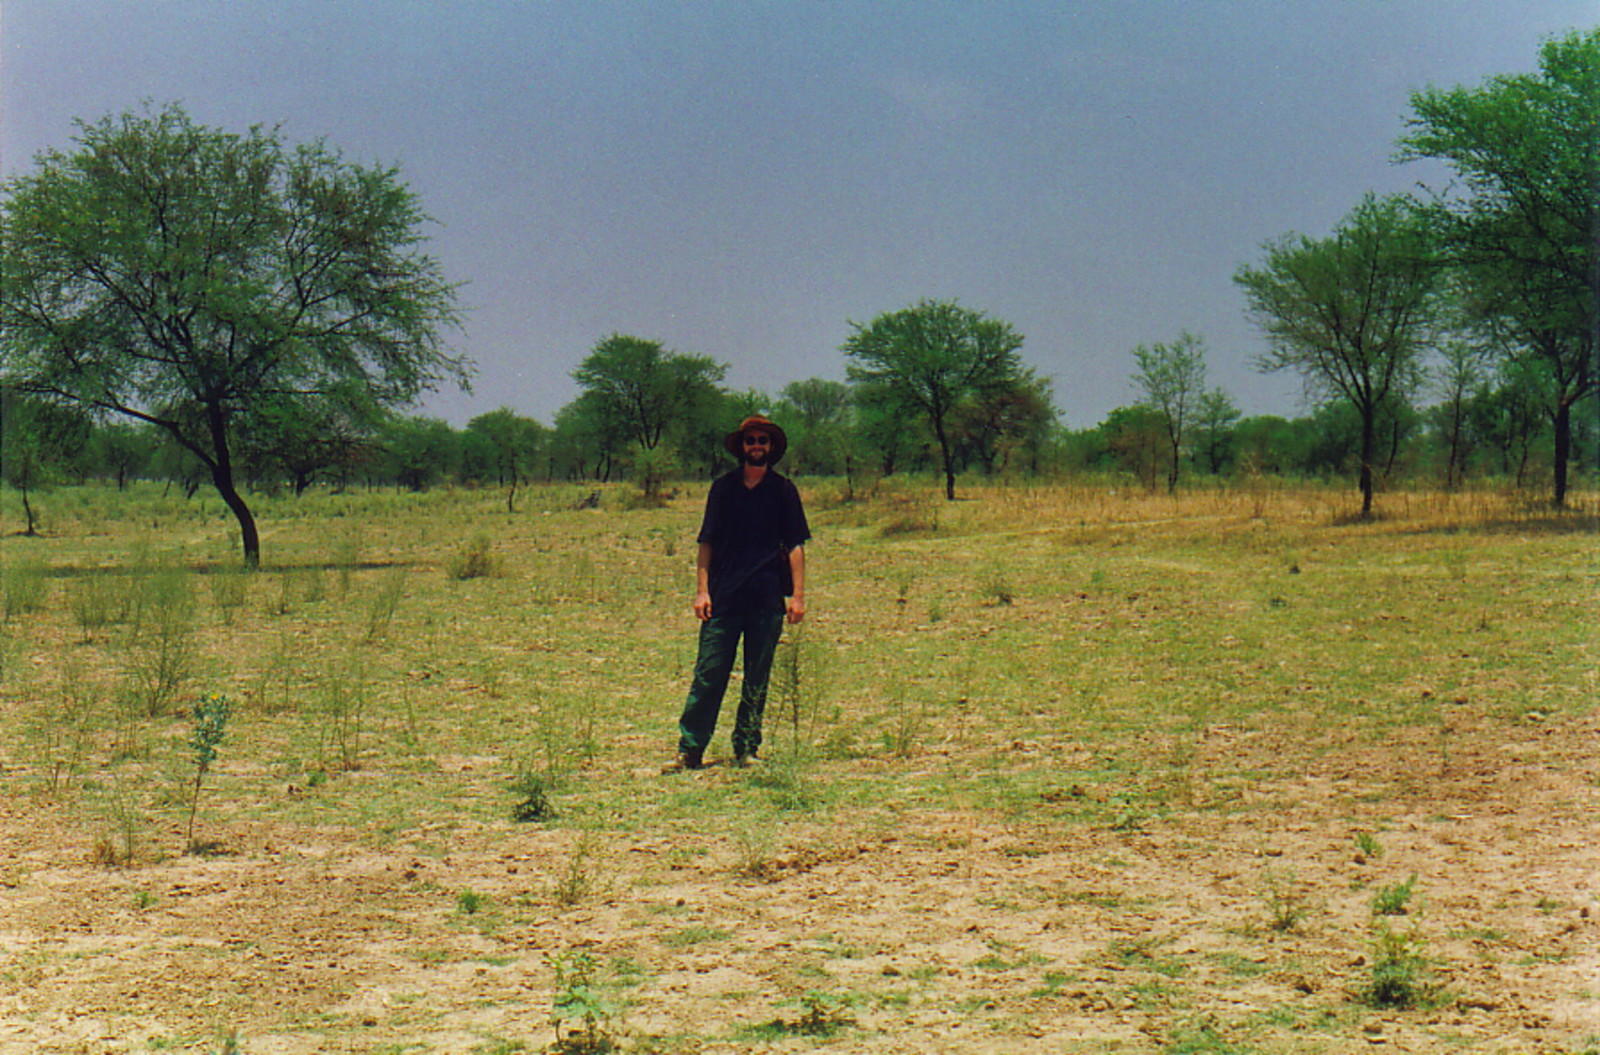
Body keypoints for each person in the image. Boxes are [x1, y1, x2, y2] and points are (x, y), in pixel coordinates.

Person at [672, 415, 810, 770]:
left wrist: (797, 596)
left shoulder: (783, 491)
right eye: (751, 441)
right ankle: (690, 750)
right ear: (742, 447)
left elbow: (795, 545)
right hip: (724, 598)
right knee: (709, 674)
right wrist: (702, 592)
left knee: (757, 678)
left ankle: (746, 748)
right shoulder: (723, 489)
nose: (757, 446)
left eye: (763, 440)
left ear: (771, 447)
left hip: (766, 598)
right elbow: (707, 542)